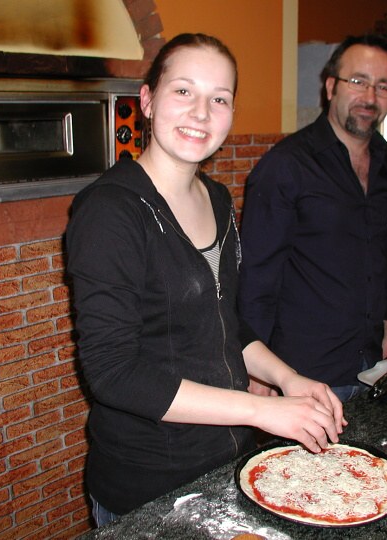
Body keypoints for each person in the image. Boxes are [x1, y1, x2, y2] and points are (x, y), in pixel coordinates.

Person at [65, 33, 346, 527]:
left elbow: (226, 323)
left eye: (219, 99)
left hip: (225, 462)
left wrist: (287, 378)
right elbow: (113, 373)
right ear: (147, 100)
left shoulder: (217, 199)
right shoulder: (110, 212)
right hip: (148, 485)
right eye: (183, 91)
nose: (200, 112)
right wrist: (259, 411)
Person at [238, 34, 387, 401]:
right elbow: (256, 278)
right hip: (303, 372)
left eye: (383, 86)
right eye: (358, 81)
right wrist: (258, 370)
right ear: (331, 87)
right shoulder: (285, 166)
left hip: (372, 362)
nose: (370, 97)